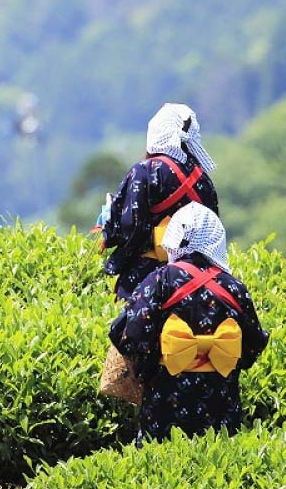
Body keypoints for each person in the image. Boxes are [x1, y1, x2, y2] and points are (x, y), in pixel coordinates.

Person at [109, 202, 268, 443]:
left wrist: (149, 364)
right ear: (216, 239)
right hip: (220, 404)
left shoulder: (160, 280)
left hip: (165, 401)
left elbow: (129, 334)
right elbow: (254, 344)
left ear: (174, 237)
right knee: (221, 465)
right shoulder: (235, 288)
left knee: (160, 468)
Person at [100, 103, 220, 300]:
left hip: (146, 277)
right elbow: (212, 230)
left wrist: (108, 225)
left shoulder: (145, 171)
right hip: (196, 282)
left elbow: (131, 228)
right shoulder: (204, 180)